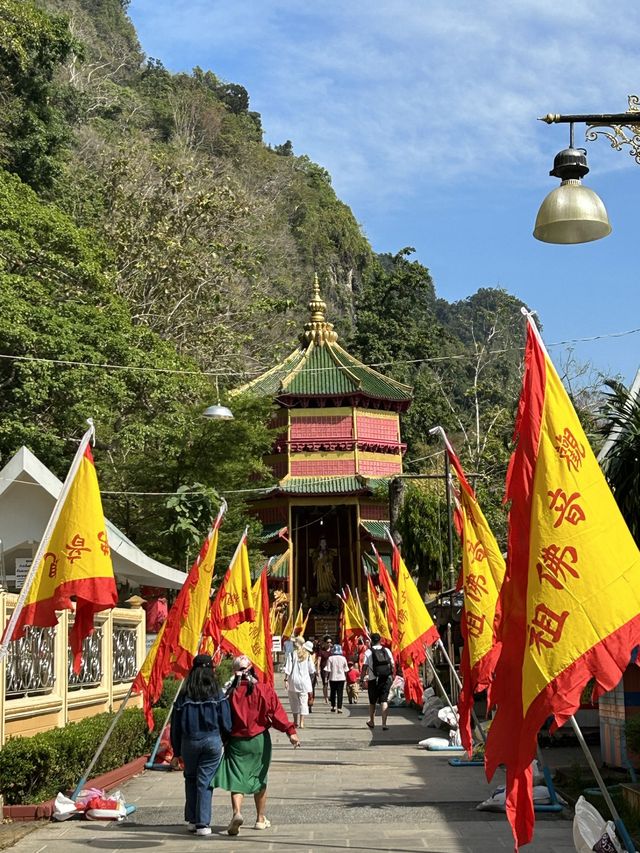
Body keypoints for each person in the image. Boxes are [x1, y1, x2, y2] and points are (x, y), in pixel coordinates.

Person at [213, 656, 300, 836]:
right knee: (260, 778)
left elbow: (221, 717)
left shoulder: (229, 693)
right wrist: (290, 731)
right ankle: (260, 819)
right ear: (252, 670)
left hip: (236, 741)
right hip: (259, 740)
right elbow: (276, 713)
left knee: (237, 779)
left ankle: (237, 812)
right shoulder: (263, 689)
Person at [170, 654, 231, 836]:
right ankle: (203, 824)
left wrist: (176, 750)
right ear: (211, 670)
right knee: (204, 781)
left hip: (190, 742)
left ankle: (192, 820)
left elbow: (176, 725)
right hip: (212, 741)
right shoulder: (217, 693)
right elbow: (226, 720)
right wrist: (227, 739)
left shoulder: (184, 695)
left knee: (190, 777)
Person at [361, 632, 395, 731]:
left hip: (373, 680)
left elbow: (364, 667)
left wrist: (362, 679)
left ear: (371, 640)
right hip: (385, 678)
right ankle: (384, 724)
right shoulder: (387, 650)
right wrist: (391, 676)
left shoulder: (368, 652)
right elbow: (392, 664)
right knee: (384, 701)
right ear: (380, 640)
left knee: (372, 702)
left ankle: (372, 721)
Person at [283, 637, 316, 728]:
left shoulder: (292, 654)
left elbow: (288, 669)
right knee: (303, 702)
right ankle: (302, 722)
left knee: (294, 701)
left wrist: (285, 680)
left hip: (293, 680)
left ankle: (295, 721)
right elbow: (312, 670)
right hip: (304, 682)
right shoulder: (308, 655)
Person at [324, 643, 349, 713]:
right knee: (340, 693)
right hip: (341, 678)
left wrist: (326, 677)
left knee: (333, 692)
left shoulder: (330, 658)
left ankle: (333, 706)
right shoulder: (343, 658)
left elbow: (328, 669)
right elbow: (346, 669)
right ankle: (339, 708)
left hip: (332, 677)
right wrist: (346, 678)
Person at [316, 635, 333, 703]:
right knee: (325, 683)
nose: (329, 643)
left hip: (332, 669)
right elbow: (319, 660)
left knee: (332, 683)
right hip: (324, 669)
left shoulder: (333, 650)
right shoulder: (321, 651)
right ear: (325, 642)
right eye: (328, 642)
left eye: (330, 642)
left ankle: (332, 696)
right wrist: (318, 669)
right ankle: (326, 697)